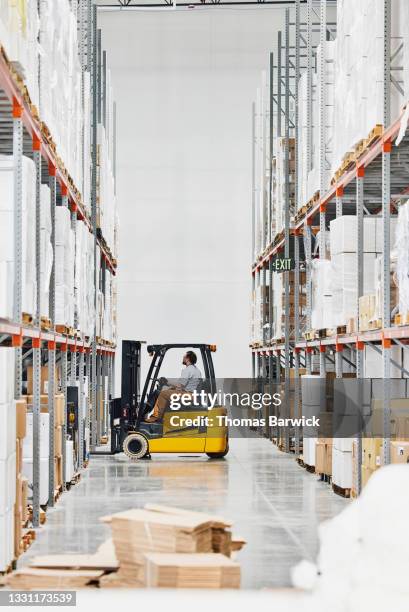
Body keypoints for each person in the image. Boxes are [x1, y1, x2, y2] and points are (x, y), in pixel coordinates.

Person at [145, 351, 202, 422]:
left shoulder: (188, 370)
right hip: (192, 395)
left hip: (188, 395)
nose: (183, 358)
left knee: (163, 394)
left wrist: (167, 382)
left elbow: (180, 385)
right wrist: (171, 387)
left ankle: (155, 417)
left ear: (188, 359)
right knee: (161, 392)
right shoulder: (197, 370)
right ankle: (157, 415)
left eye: (184, 357)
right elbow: (184, 386)